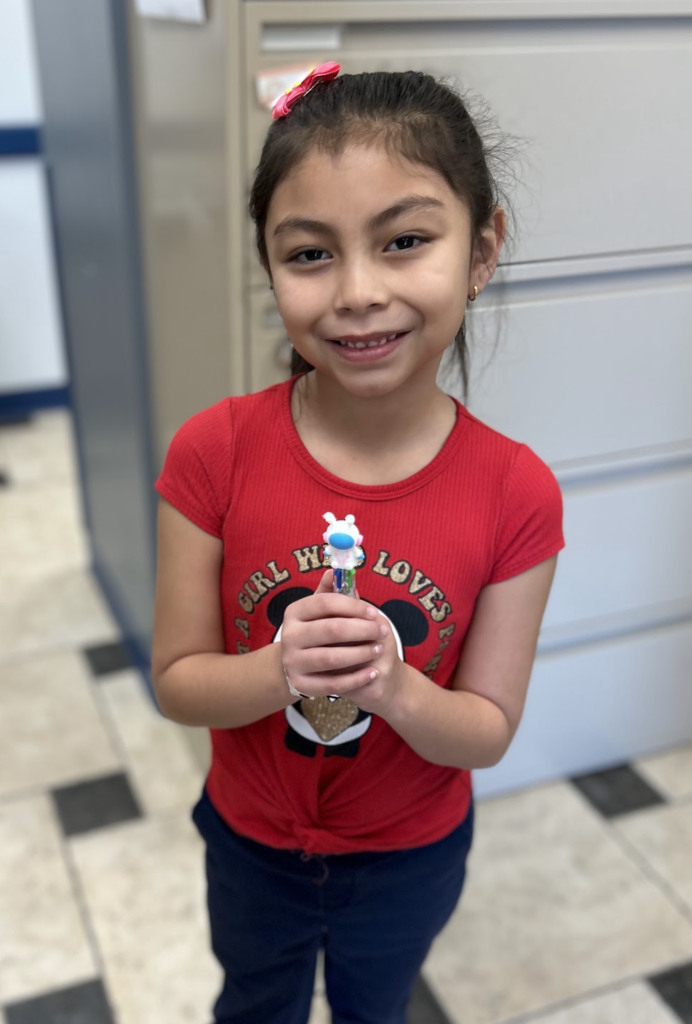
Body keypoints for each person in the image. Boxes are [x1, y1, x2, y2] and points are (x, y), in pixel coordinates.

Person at [152, 65, 565, 1024]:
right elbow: (178, 679)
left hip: (410, 855)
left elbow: (488, 730)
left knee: (377, 1008)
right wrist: (278, 670)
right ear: (268, 264)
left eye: (406, 241)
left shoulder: (516, 494)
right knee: (255, 1004)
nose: (358, 292)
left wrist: (391, 684)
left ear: (482, 248)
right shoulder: (212, 453)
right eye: (309, 254)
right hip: (251, 844)